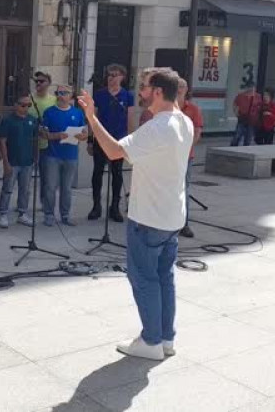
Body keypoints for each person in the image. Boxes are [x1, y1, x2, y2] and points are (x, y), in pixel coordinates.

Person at [76, 67, 193, 361]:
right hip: (171, 217)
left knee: (145, 279)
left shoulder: (158, 127)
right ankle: (165, 338)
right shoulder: (185, 122)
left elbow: (115, 151)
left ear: (157, 92)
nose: (139, 92)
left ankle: (151, 341)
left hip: (149, 218)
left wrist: (92, 117)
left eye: (143, 87)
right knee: (165, 278)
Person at [88, 64, 134, 223]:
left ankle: (114, 207)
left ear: (122, 77)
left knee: (117, 174)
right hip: (101, 139)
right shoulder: (99, 95)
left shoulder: (127, 96)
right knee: (97, 173)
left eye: (115, 75)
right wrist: (90, 139)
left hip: (119, 140)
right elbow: (93, 118)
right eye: (109, 75)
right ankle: (96, 206)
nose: (111, 78)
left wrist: (130, 141)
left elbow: (130, 119)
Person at [41, 85, 87, 227]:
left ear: (71, 96)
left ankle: (65, 215)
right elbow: (43, 133)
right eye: (58, 93)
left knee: (66, 188)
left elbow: (85, 133)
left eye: (64, 93)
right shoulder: (49, 112)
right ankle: (48, 214)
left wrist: (82, 136)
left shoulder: (78, 113)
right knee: (50, 186)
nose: (60, 96)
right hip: (52, 156)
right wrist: (56, 135)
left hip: (71, 156)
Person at [0, 94, 37, 228]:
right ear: (15, 105)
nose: (26, 108)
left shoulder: (32, 120)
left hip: (27, 161)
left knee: (25, 189)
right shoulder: (8, 120)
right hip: (12, 161)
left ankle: (22, 213)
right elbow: (2, 141)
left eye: (28, 105)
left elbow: (36, 138)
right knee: (7, 188)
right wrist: (5, 162)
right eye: (23, 105)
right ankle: (3, 213)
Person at [176, 78, 203, 238]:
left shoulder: (193, 109)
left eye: (182, 86)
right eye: (177, 86)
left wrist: (185, 148)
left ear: (187, 90)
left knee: (184, 189)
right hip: (168, 156)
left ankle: (184, 224)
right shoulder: (167, 107)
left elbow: (197, 131)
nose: (179, 89)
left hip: (185, 156)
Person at [29, 72, 58, 194]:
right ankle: (22, 205)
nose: (38, 83)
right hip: (30, 142)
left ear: (49, 83)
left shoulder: (54, 100)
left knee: (46, 176)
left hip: (47, 143)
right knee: (26, 176)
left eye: (42, 81)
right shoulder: (29, 98)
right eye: (37, 81)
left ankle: (45, 202)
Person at [230, 82, 261, 147]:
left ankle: (245, 150)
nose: (252, 89)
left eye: (253, 88)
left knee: (248, 138)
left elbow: (259, 106)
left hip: (252, 120)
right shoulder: (241, 96)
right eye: (250, 88)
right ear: (247, 88)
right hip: (242, 118)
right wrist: (236, 113)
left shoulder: (258, 96)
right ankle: (233, 147)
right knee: (237, 136)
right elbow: (235, 104)